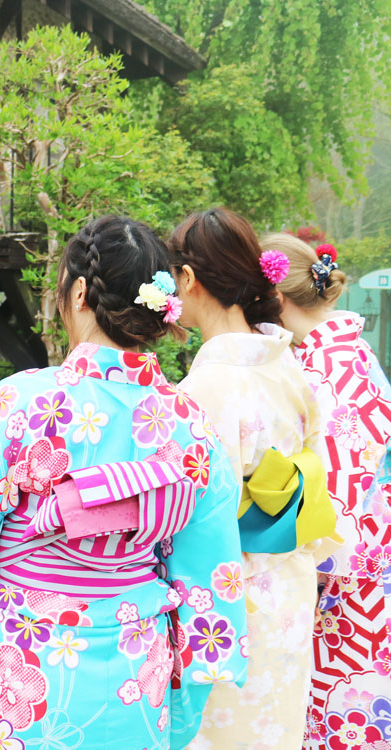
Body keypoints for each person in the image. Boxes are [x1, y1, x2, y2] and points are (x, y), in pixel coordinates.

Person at [0, 215, 247, 750]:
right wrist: (191, 683)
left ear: (76, 291)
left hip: (28, 656)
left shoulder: (22, 402)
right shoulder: (191, 423)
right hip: (138, 663)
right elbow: (211, 570)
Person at [168, 208, 338, 750]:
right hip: (286, 582)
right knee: (275, 729)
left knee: (221, 735)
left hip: (225, 598)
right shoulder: (287, 365)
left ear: (189, 281)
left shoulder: (206, 389)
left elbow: (186, 512)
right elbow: (315, 473)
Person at [263, 232, 391, 749]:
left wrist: (305, 576)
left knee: (342, 716)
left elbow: (337, 487)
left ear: (274, 298)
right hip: (368, 555)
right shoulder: (347, 352)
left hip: (345, 574)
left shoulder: (325, 368)